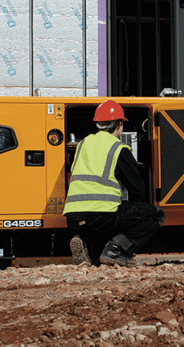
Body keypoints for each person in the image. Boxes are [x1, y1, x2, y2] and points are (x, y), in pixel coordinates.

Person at [63, 99, 164, 267]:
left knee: (101, 221)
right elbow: (137, 188)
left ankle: (84, 241)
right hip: (101, 215)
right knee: (155, 214)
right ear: (119, 124)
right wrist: (134, 207)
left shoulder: (82, 144)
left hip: (73, 218)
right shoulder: (118, 148)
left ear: (98, 124)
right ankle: (116, 250)